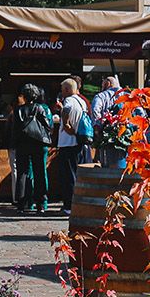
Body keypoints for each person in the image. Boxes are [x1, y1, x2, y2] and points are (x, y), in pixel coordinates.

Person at [12, 84, 54, 214]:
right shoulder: (40, 108)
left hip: (23, 144)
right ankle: (41, 203)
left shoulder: (18, 110)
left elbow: (16, 128)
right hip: (38, 143)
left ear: (24, 96)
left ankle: (21, 204)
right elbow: (48, 126)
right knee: (40, 172)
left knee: (22, 173)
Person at [52, 77, 90, 213]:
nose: (61, 93)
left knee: (68, 176)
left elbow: (67, 109)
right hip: (79, 142)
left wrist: (66, 124)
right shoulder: (81, 101)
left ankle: (69, 205)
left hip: (68, 143)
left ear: (67, 89)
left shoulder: (68, 101)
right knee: (77, 174)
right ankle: (78, 203)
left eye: (63, 90)